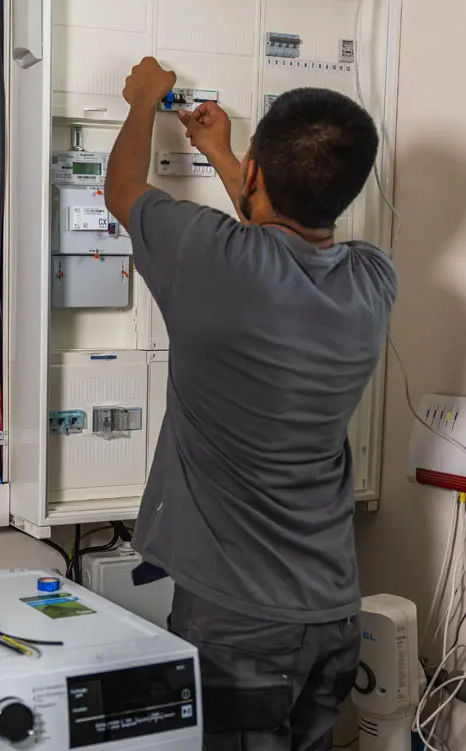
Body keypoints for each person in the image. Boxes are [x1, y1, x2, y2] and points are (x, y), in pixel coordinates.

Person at [104, 57, 397, 751]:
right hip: (331, 616)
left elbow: (121, 189)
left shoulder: (211, 257)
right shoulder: (373, 281)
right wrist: (226, 155)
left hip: (240, 628)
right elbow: (286, 219)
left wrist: (144, 100)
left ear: (261, 175)